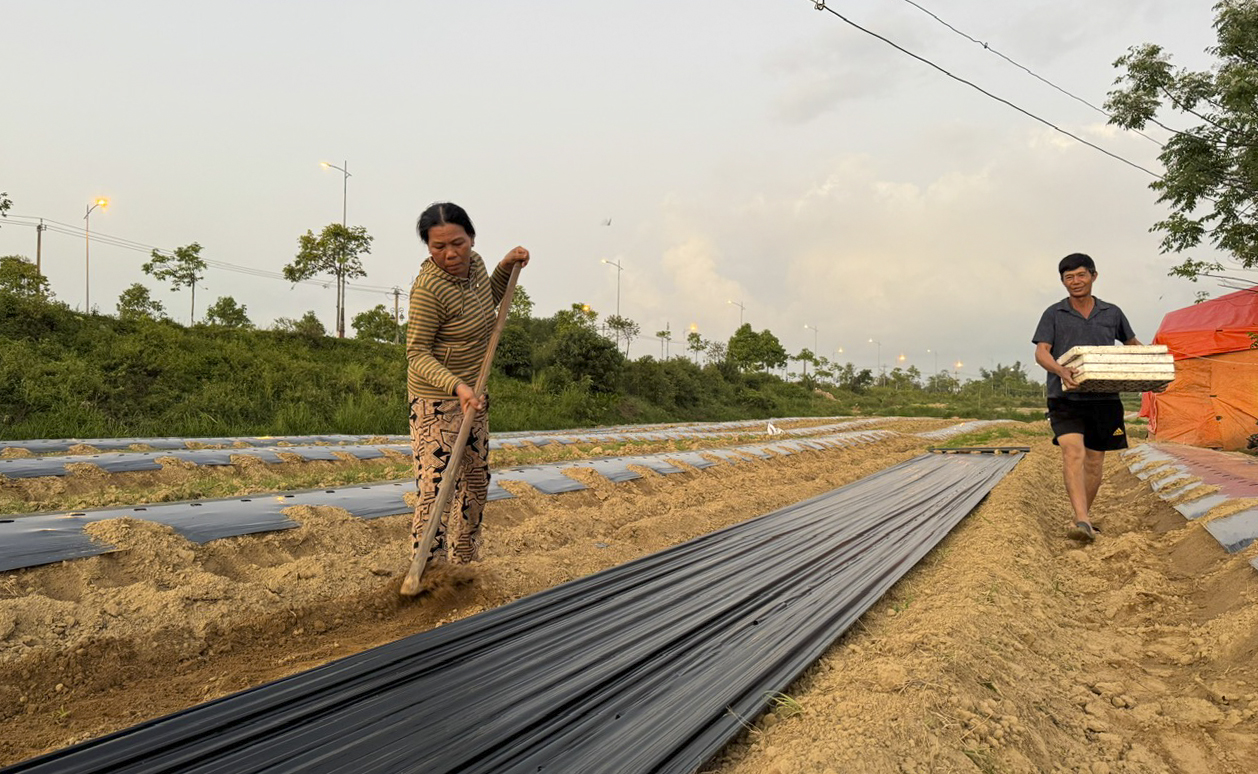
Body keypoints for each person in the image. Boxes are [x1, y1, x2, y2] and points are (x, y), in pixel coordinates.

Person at [406, 202, 529, 569]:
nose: (450, 254)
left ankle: (464, 567)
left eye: (457, 243)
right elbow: (417, 353)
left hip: (474, 396)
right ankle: (427, 572)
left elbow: (484, 304)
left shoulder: (475, 267)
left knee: (475, 484)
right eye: (438, 247)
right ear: (427, 247)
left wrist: (506, 266)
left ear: (471, 238)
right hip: (437, 403)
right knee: (437, 489)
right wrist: (456, 386)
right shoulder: (428, 290)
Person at [1033, 253, 1141, 542]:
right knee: (1073, 451)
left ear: (1093, 276)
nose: (1075, 281)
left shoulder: (1112, 313)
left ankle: (1082, 519)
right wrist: (1059, 369)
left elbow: (1132, 344)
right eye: (1069, 277)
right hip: (1065, 397)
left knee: (1094, 462)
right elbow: (1041, 351)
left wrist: (1156, 368)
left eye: (1081, 275)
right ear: (1063, 282)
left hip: (1104, 399)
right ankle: (1082, 519)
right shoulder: (1054, 314)